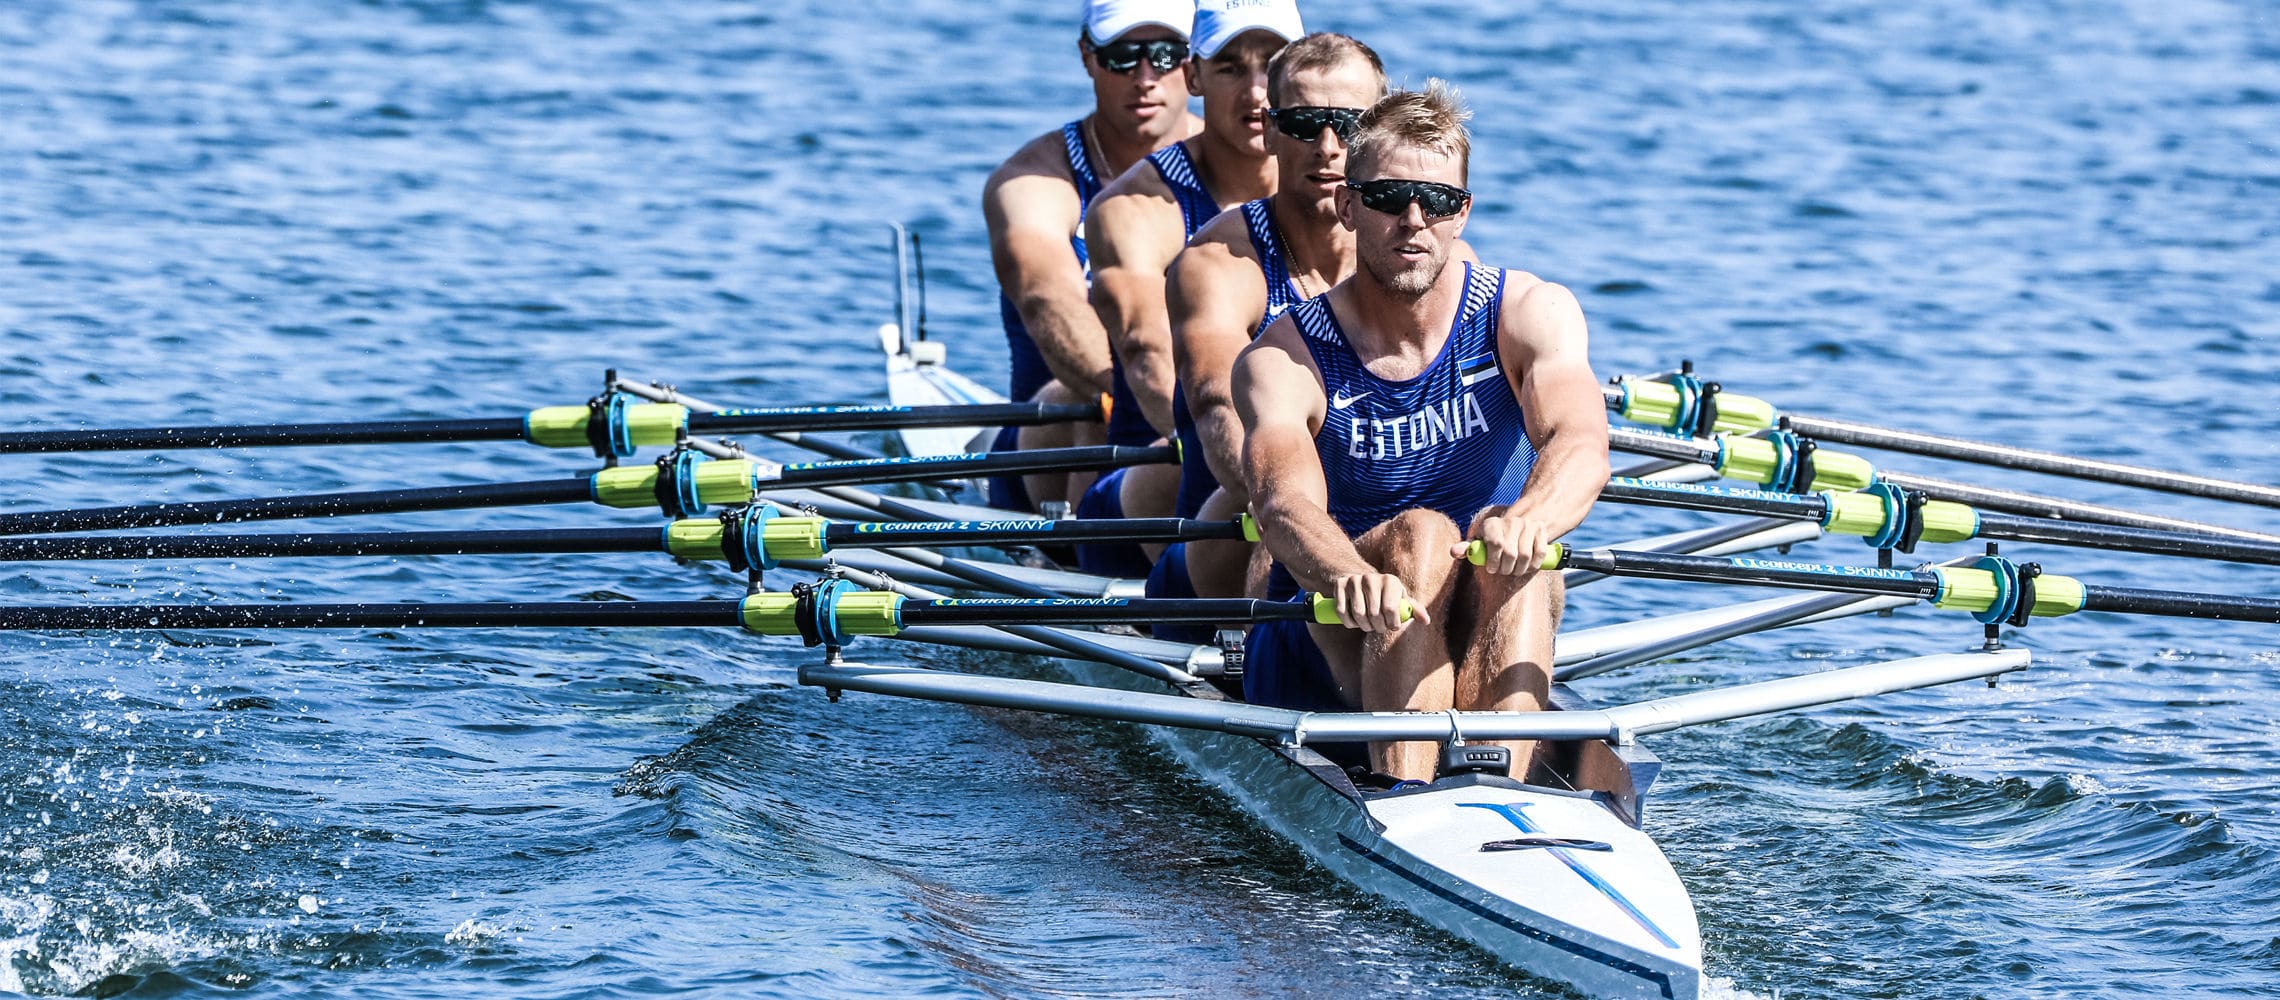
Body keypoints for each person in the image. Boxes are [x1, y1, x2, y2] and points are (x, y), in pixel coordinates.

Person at [1232, 82, 1611, 784]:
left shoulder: (1530, 312)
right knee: (1423, 539)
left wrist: (1531, 521)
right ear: (1347, 205)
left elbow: (1582, 444)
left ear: (1461, 213)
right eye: (1386, 198)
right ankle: (1409, 791)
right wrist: (1347, 575)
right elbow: (1283, 505)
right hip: (1327, 632)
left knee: (1512, 538)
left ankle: (1497, 788)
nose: (1413, 219)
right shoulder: (1283, 357)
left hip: (1481, 601)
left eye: (1435, 201)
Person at [1147, 33, 1386, 631]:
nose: (1329, 147)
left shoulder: (1420, 255)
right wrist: (1296, 511)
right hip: (1222, 559)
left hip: (1365, 540)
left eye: (1349, 124)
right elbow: (1217, 406)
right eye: (1305, 124)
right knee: (1276, 491)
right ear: (1270, 130)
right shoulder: (1218, 263)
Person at [1073, 0, 1303, 578]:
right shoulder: (1135, 208)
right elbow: (1149, 355)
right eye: (1229, 67)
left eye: (1271, 65)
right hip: (1153, 486)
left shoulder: (1344, 198)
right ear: (1192, 75)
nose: (1257, 93)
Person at [981, 0, 1199, 514]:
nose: (1146, 77)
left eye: (1166, 55)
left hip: (1184, 427)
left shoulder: (1241, 168)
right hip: (1053, 446)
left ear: (1196, 64)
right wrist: (1160, 403)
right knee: (1093, 397)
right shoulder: (1033, 181)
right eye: (1123, 56)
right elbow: (1045, 298)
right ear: (1087, 56)